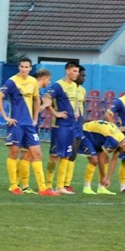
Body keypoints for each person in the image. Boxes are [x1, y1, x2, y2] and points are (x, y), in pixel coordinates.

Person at [0, 59, 58, 196]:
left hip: (29, 125)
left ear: (30, 68)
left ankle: (43, 188)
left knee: (37, 154)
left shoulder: (33, 82)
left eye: (27, 67)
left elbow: (36, 99)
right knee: (14, 153)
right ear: (19, 67)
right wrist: (6, 117)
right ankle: (14, 186)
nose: (24, 69)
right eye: (22, 67)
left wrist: (34, 118)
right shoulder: (12, 81)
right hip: (16, 123)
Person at [42, 62, 79, 194]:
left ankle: (60, 186)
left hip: (71, 125)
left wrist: (76, 111)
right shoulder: (57, 85)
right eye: (74, 71)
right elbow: (46, 98)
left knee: (66, 156)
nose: (77, 74)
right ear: (67, 71)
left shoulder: (74, 86)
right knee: (54, 156)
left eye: (77, 71)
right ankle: (48, 185)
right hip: (59, 126)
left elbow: (75, 100)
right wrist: (55, 113)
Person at [77, 120, 125, 195]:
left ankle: (101, 188)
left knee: (106, 159)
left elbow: (114, 159)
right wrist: (103, 176)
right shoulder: (114, 141)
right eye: (124, 151)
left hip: (96, 136)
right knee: (94, 160)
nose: (123, 153)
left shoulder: (122, 141)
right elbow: (101, 158)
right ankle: (86, 187)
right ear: (124, 146)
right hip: (85, 132)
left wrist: (108, 179)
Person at [60, 65, 87, 192]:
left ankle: (67, 183)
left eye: (84, 75)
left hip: (78, 125)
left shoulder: (82, 90)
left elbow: (82, 105)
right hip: (68, 124)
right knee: (66, 153)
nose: (83, 77)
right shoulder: (65, 87)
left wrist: (82, 121)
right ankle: (60, 183)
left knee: (73, 154)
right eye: (81, 75)